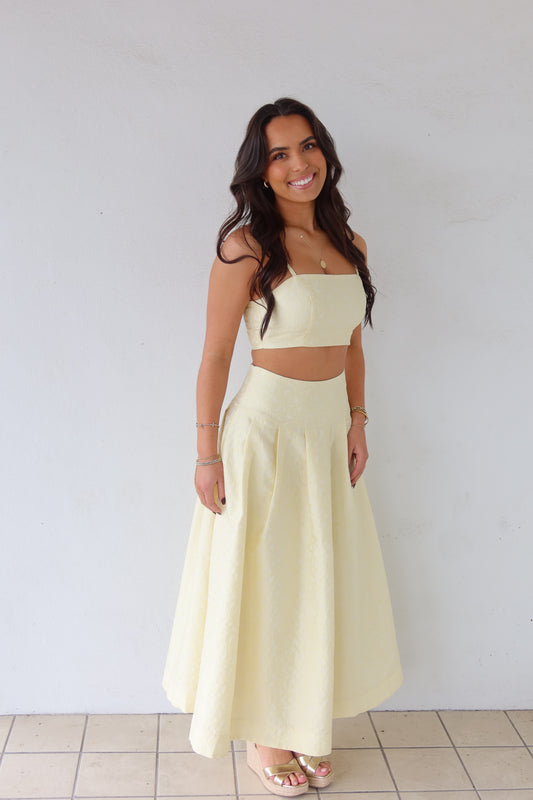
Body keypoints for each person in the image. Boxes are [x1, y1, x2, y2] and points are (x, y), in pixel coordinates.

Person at [163, 98, 402, 796]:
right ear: (260, 170)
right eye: (279, 154)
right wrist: (206, 454)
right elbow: (214, 356)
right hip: (264, 436)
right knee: (268, 582)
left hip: (327, 434)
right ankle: (265, 734)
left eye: (307, 146)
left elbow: (351, 345)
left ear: (324, 152)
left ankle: (302, 718)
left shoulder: (351, 245)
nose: (299, 164)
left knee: (316, 579)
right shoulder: (246, 246)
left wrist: (358, 420)